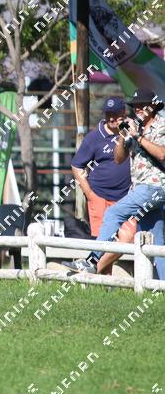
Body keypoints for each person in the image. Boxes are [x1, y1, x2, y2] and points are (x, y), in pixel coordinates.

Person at [64, 89, 165, 278]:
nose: (139, 109)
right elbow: (118, 159)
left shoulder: (162, 125)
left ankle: (92, 262)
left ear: (153, 107)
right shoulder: (135, 127)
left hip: (155, 186)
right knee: (156, 241)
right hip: (142, 190)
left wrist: (139, 138)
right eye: (136, 106)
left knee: (113, 213)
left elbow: (162, 154)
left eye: (143, 105)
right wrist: (122, 135)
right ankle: (161, 286)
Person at [70, 97, 131, 237]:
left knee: (128, 239)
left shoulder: (131, 132)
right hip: (100, 197)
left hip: (127, 198)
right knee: (102, 241)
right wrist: (90, 195)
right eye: (108, 114)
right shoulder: (94, 137)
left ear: (123, 112)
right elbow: (76, 165)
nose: (111, 118)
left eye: (115, 114)